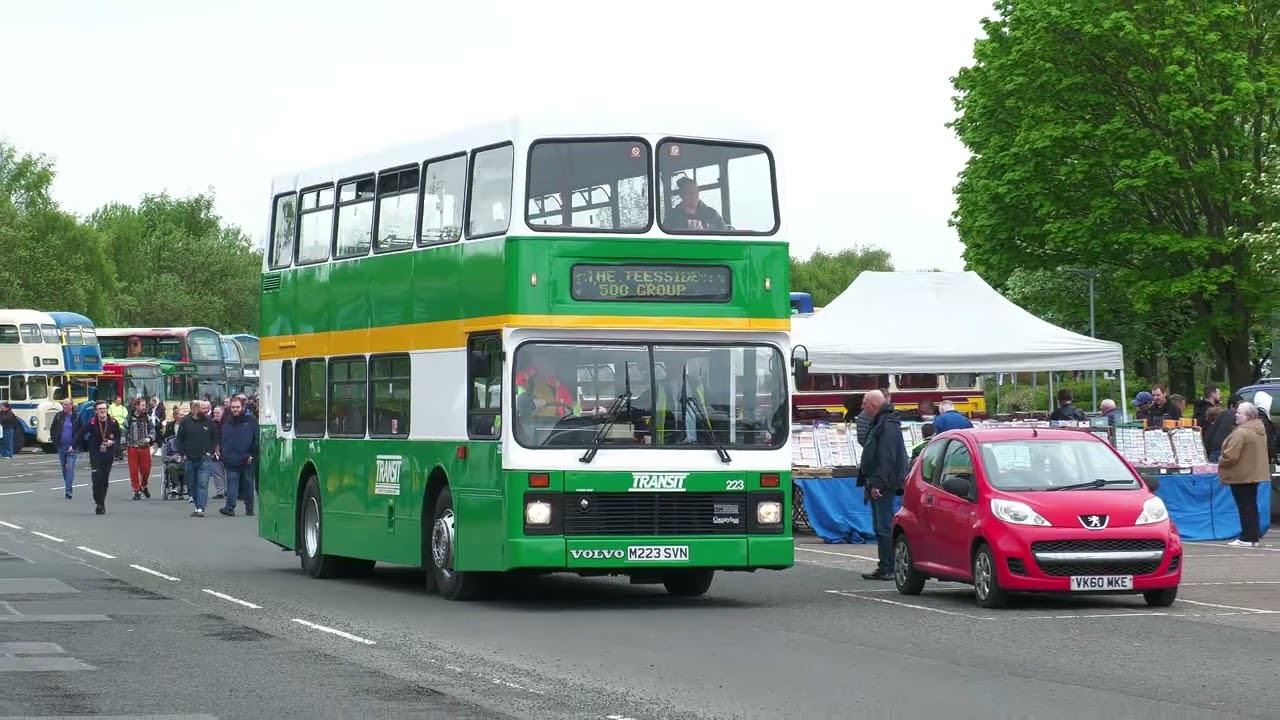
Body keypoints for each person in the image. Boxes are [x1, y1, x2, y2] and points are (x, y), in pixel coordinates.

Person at [858, 390, 908, 581]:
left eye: (864, 403)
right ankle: (885, 565)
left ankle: (888, 566)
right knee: (880, 526)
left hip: (883, 483)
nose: (862, 407)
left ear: (873, 405)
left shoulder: (886, 424)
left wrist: (878, 483)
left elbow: (887, 457)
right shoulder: (883, 421)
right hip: (878, 480)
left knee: (884, 526)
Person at [1217, 401, 1267, 548]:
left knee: (1245, 507)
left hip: (1241, 476)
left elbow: (1230, 456)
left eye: (1239, 413)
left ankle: (1246, 538)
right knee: (1251, 507)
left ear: (1249, 416)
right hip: (1253, 474)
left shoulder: (1241, 433)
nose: (1236, 415)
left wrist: (1220, 460)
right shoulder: (1259, 430)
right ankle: (1253, 537)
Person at [175, 400, 218, 517]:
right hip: (189, 458)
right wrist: (183, 453)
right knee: (192, 485)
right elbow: (179, 438)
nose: (206, 411)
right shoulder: (186, 421)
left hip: (204, 458)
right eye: (203, 409)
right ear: (194, 409)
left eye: (207, 409)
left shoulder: (209, 422)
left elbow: (215, 438)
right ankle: (196, 504)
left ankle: (200, 508)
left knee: (203, 484)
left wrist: (210, 452)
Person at [219, 397, 258, 516]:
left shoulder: (251, 421)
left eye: (237, 407)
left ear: (243, 408)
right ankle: (230, 507)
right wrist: (223, 453)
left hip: (247, 459)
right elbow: (222, 438)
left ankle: (249, 508)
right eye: (233, 407)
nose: (235, 409)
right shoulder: (227, 422)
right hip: (230, 458)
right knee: (232, 484)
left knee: (248, 484)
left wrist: (252, 454)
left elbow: (257, 440)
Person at [82, 402, 121, 515]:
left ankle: (101, 503)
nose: (102, 411)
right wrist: (73, 447)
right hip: (95, 454)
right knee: (97, 479)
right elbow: (81, 434)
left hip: (108, 455)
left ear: (107, 409)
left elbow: (118, 437)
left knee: (104, 480)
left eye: (104, 408)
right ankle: (98, 501)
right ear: (96, 411)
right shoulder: (92, 423)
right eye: (99, 409)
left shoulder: (113, 422)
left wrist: (112, 443)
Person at [514, 353, 576, 419]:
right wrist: (532, 402)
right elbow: (514, 401)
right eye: (542, 363)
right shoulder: (525, 381)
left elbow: (573, 410)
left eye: (551, 363)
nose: (550, 366)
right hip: (531, 425)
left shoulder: (561, 388)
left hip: (557, 425)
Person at [50, 399, 83, 498]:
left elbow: (81, 431)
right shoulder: (59, 416)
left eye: (67, 404)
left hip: (72, 447)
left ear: (72, 405)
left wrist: (75, 444)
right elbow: (53, 429)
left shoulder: (76, 417)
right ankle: (68, 484)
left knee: (69, 468)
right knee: (64, 469)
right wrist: (55, 440)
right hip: (61, 446)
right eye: (63, 404)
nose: (65, 406)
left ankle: (68, 491)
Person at [124, 397, 155, 500]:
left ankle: (144, 485)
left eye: (145, 405)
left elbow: (152, 430)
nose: (144, 407)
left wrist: (149, 438)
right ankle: (136, 490)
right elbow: (123, 432)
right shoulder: (129, 418)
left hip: (145, 447)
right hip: (132, 447)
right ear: (136, 406)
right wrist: (124, 448)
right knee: (133, 470)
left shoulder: (147, 417)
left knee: (146, 469)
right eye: (142, 405)